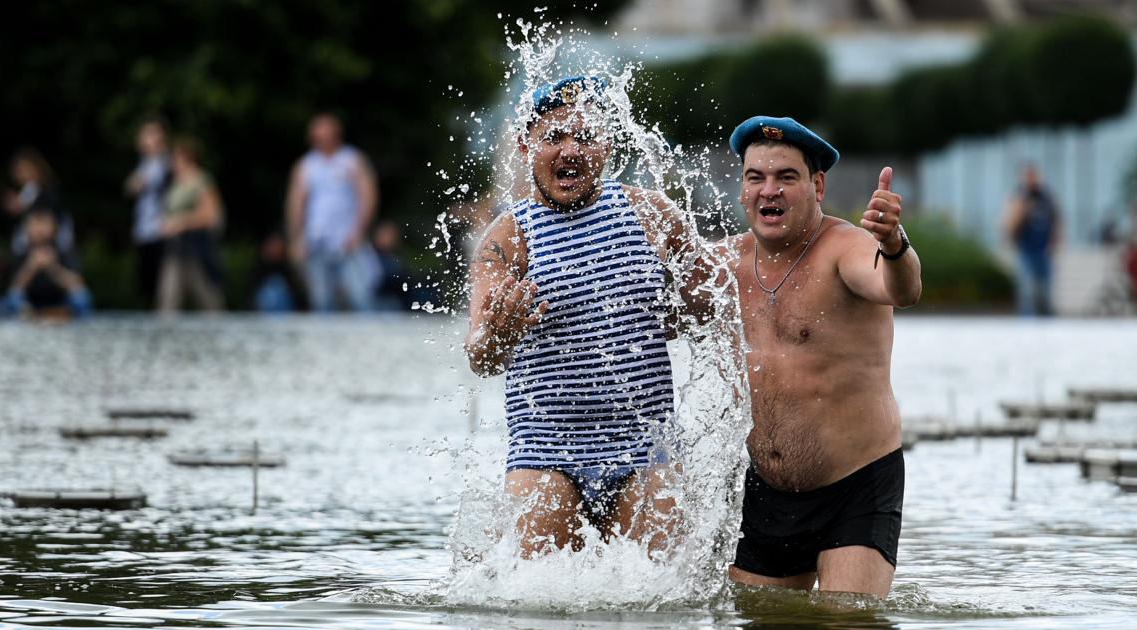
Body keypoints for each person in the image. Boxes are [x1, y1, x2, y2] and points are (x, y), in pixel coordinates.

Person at [463, 76, 704, 557]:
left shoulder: (652, 215)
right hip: (544, 453)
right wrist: (499, 333)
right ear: (525, 144)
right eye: (554, 138)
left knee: (658, 602)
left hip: (644, 450)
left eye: (585, 137)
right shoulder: (508, 237)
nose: (570, 149)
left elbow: (708, 310)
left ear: (608, 144)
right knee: (537, 604)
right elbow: (480, 357)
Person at [724, 116, 921, 599]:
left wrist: (893, 243)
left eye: (786, 178)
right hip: (767, 492)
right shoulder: (725, 263)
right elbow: (652, 314)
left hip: (854, 486)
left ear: (817, 185)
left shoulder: (846, 248)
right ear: (744, 188)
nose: (769, 190)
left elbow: (903, 287)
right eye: (756, 178)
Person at [285, 113, 380, 312]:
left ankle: (370, 340)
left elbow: (368, 196)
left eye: (324, 136)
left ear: (335, 135)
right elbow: (295, 203)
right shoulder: (306, 165)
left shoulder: (352, 159)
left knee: (360, 296)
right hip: (315, 241)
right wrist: (296, 238)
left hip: (347, 241)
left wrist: (359, 231)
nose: (319, 141)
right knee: (321, 300)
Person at [157, 136, 225, 313]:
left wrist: (181, 222)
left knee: (209, 301)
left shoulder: (201, 181)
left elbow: (211, 216)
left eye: (175, 156)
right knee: (167, 301)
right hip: (176, 248)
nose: (171, 161)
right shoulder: (172, 182)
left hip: (197, 249)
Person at [1, 205, 91, 319]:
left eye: (43, 224)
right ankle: (31, 315)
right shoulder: (20, 253)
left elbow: (77, 284)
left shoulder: (64, 252)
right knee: (11, 300)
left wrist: (52, 267)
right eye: (35, 224)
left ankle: (59, 314)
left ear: (54, 227)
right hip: (29, 305)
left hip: (59, 303)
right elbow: (14, 288)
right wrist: (31, 267)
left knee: (82, 297)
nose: (39, 230)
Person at [124, 116, 172, 308]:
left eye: (150, 134)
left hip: (161, 230)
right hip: (144, 231)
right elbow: (129, 188)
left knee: (161, 285)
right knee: (146, 285)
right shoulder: (144, 163)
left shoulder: (168, 163)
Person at [1002, 164, 1061, 317]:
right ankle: (1026, 321)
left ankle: (1046, 321)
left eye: (1033, 176)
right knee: (1026, 290)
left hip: (1044, 250)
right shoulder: (1019, 196)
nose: (1031, 180)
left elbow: (1055, 220)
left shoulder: (1046, 197)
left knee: (1045, 291)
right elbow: (1010, 225)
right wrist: (1022, 208)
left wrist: (1055, 242)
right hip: (1026, 250)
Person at [4, 147, 73, 255]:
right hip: (26, 246)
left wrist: (22, 208)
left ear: (35, 167)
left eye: (23, 169)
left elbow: (49, 219)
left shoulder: (48, 190)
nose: (19, 173)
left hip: (48, 246)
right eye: (17, 170)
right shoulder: (25, 191)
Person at [250, 232, 307, 312]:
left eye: (276, 245)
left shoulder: (288, 271)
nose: (274, 249)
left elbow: (299, 299)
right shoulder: (257, 271)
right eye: (271, 245)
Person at [371, 219, 419, 311]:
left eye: (391, 235)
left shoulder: (397, 259)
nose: (388, 238)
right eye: (385, 234)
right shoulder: (368, 256)